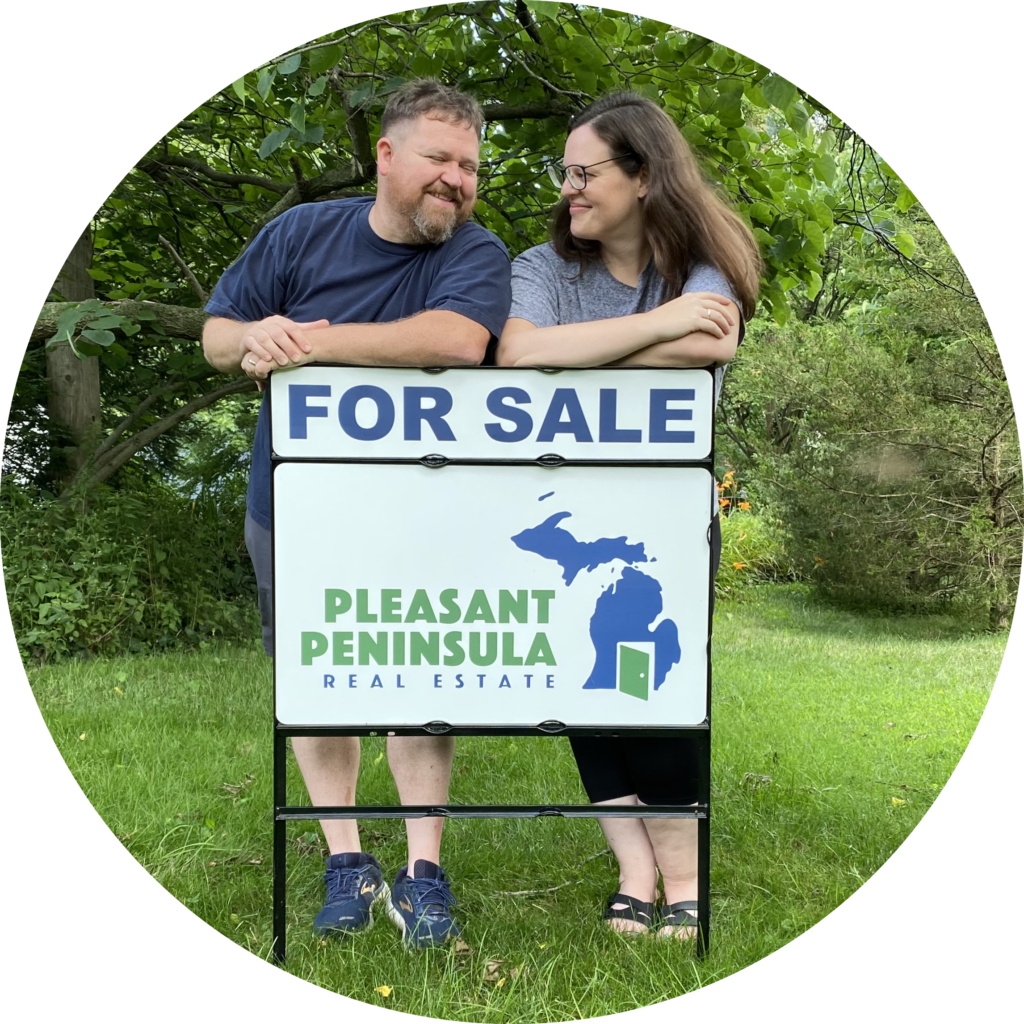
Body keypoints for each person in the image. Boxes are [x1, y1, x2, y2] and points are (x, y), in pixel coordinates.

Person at [201, 79, 512, 948]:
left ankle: (423, 872)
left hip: (423, 512)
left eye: (469, 165)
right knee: (319, 678)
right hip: (293, 506)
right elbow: (218, 336)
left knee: (420, 681)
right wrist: (252, 337)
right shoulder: (301, 233)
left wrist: (299, 339)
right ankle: (347, 861)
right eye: (439, 158)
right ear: (385, 154)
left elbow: (457, 341)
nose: (456, 179)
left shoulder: (475, 251)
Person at [497, 92, 761, 938]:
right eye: (565, 172)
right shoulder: (544, 268)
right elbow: (519, 352)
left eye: (587, 172)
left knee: (655, 689)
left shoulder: (701, 266)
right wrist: (658, 327)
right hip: (565, 526)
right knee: (583, 691)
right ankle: (633, 866)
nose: (570, 188)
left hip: (662, 527)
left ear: (643, 176)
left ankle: (682, 873)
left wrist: (596, 349)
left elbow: (710, 343)